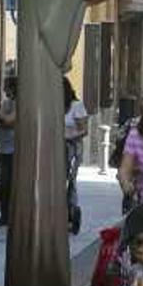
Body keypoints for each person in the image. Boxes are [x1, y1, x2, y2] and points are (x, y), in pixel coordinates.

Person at [63, 78, 88, 234]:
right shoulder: (52, 106)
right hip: (54, 148)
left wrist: (68, 135)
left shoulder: (76, 106)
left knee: (70, 181)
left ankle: (71, 214)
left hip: (71, 148)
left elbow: (84, 129)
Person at [0, 76, 17, 226]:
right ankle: (4, 215)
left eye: (7, 86)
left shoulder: (18, 103)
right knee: (3, 184)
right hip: (3, 148)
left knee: (12, 184)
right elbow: (0, 121)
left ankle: (12, 215)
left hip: (14, 149)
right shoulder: (6, 103)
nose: (4, 89)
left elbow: (9, 121)